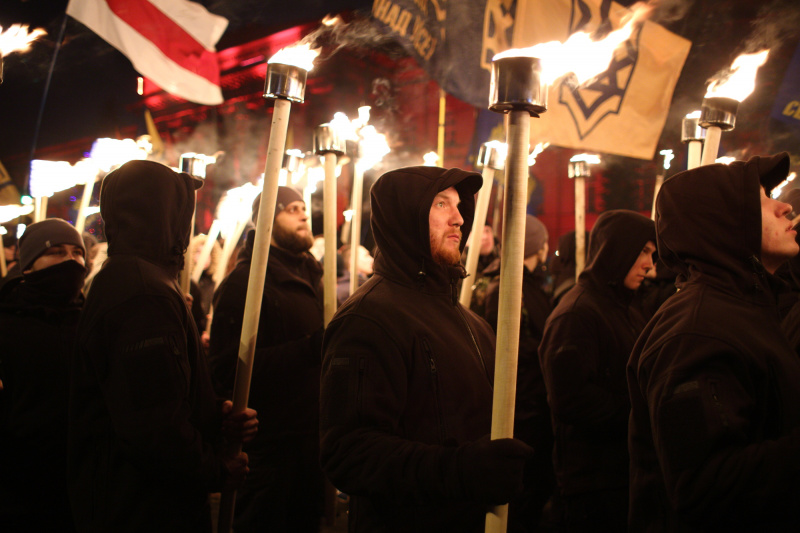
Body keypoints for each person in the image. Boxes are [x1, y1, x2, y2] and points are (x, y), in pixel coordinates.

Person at [320, 166, 533, 532]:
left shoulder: (470, 321)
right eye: (440, 204)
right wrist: (462, 470)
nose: (459, 218)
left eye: (458, 205)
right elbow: (350, 453)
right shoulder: (369, 318)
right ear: (406, 216)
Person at [68, 160, 256, 533]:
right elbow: (154, 425)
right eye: (181, 209)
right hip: (144, 509)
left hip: (135, 500)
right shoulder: (142, 292)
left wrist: (213, 414)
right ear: (163, 213)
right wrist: (216, 469)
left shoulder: (134, 277)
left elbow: (161, 391)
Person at [628, 153, 800, 531]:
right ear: (724, 222)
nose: (784, 207)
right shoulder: (696, 330)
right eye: (762, 200)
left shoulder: (745, 307)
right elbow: (705, 488)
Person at [209, 186, 325, 532]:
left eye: (304, 207)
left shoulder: (311, 276)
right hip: (269, 451)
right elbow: (226, 369)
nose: (304, 214)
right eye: (291, 208)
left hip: (310, 443)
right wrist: (309, 348)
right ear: (266, 221)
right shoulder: (245, 283)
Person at [539, 209, 656, 532]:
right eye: (643, 251)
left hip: (623, 473)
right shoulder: (577, 314)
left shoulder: (626, 307)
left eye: (653, 253)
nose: (649, 263)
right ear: (617, 249)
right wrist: (641, 413)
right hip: (592, 484)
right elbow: (571, 399)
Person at [0, 219, 86, 532]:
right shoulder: (6, 325)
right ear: (29, 267)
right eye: (57, 252)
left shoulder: (91, 323)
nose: (71, 261)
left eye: (78, 253)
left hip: (82, 483)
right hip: (20, 487)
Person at [484, 214, 555, 531]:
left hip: (530, 398)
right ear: (538, 246)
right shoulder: (509, 287)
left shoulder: (525, 286)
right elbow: (507, 344)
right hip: (524, 401)